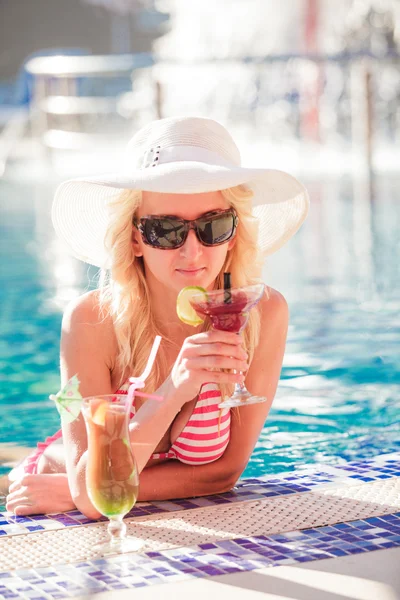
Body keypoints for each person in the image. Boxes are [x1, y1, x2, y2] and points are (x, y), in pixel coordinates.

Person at [5, 116, 309, 518]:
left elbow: (226, 473)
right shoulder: (91, 321)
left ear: (233, 232)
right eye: (165, 230)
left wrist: (85, 490)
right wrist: (173, 390)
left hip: (62, 485)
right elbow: (92, 494)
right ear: (134, 238)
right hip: (35, 489)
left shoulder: (261, 312)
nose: (192, 252)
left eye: (212, 225)